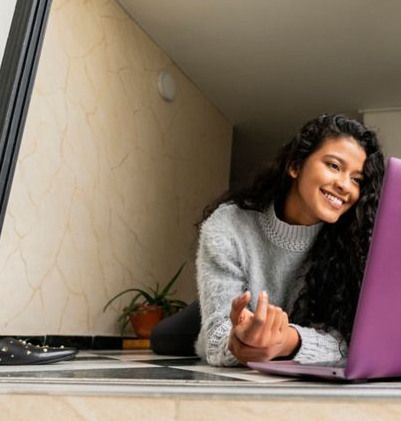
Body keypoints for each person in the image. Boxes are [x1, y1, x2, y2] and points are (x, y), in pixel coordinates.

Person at [150, 114, 385, 366]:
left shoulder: (356, 240)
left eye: (357, 179)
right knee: (163, 339)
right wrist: (239, 340)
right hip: (239, 302)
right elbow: (218, 338)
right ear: (295, 165)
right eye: (334, 166)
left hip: (295, 325)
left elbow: (351, 342)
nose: (345, 185)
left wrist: (288, 342)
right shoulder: (229, 224)